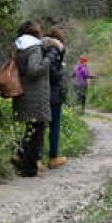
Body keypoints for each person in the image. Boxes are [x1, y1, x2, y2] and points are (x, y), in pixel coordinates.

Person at [11, 20, 51, 178]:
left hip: (23, 94)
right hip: (36, 96)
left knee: (29, 131)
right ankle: (29, 168)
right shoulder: (34, 48)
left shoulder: (20, 47)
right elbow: (33, 70)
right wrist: (47, 61)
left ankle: (22, 160)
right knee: (36, 133)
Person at [42, 26, 68, 169]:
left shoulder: (40, 47)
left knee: (38, 126)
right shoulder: (55, 49)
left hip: (41, 92)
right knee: (54, 125)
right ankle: (53, 157)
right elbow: (51, 70)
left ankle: (35, 157)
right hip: (53, 93)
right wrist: (60, 73)